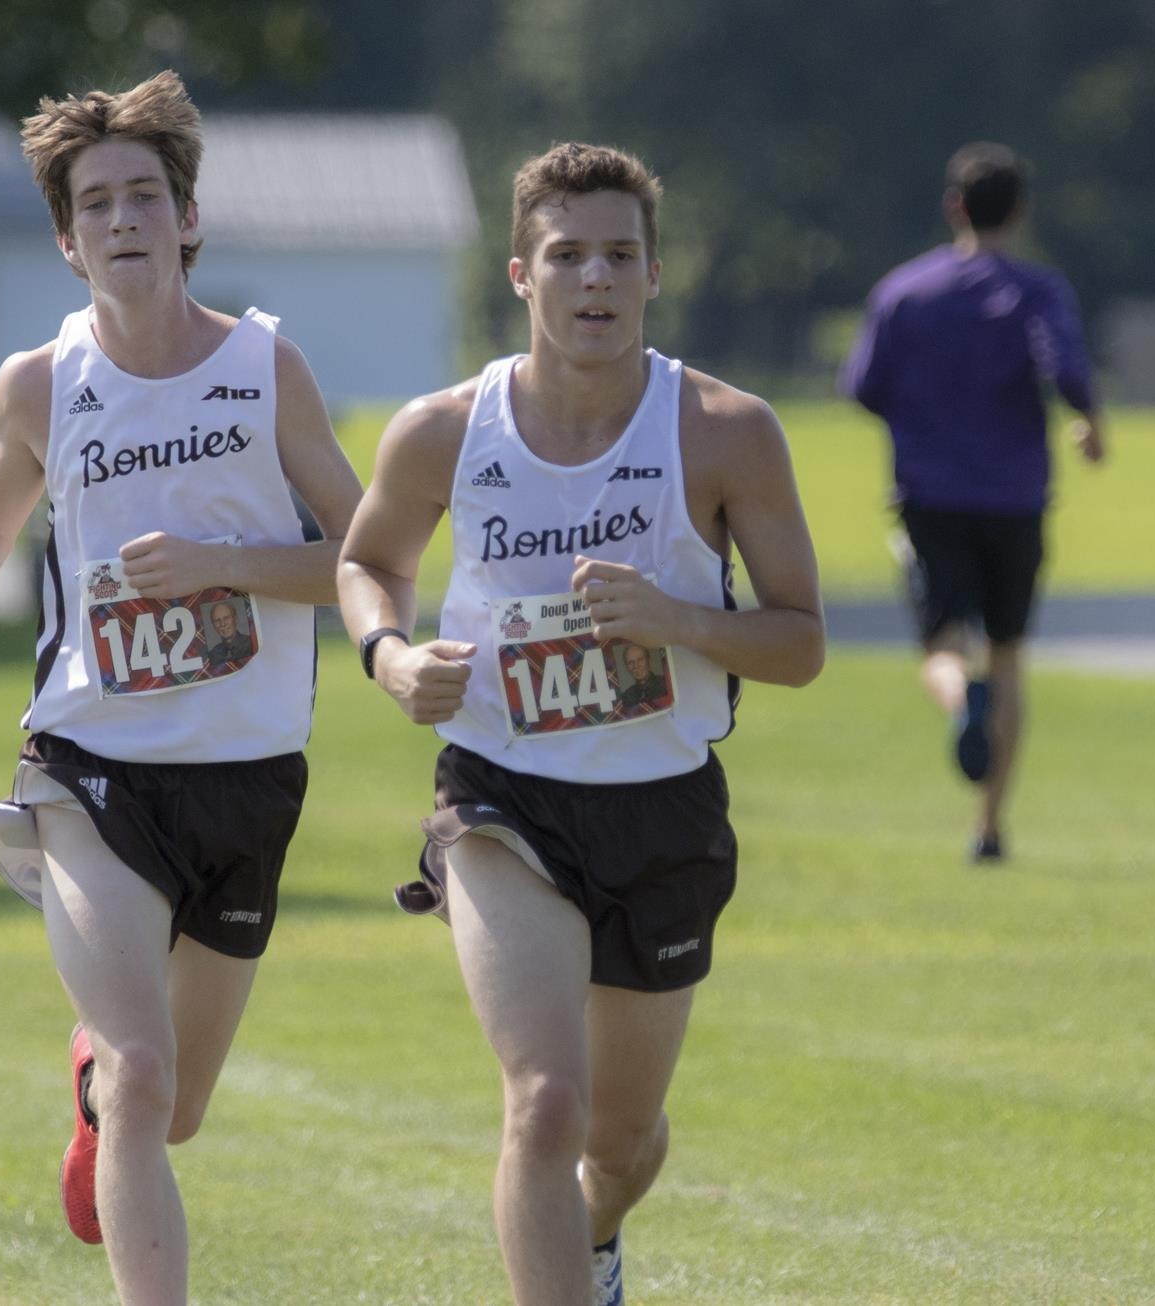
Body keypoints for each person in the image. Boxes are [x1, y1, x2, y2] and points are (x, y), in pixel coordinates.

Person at [0, 69, 362, 1303]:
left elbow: (369, 560)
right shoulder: (39, 384)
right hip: (87, 771)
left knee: (173, 1106)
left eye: (144, 196)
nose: (122, 220)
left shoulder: (265, 369)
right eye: (96, 203)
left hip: (247, 777)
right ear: (65, 239)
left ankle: (95, 1099)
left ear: (186, 220)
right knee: (148, 1070)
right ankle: (116, 1091)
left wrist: (224, 565)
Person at [337, 142, 823, 1306]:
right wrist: (389, 655)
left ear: (653, 274)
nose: (592, 278)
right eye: (567, 254)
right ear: (520, 273)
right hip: (500, 796)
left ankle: (592, 1239)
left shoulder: (723, 429)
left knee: (619, 1142)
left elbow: (800, 638)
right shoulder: (441, 431)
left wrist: (676, 620)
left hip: (660, 813)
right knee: (542, 1100)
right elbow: (365, 561)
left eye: (617, 255)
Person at [842, 141, 1106, 864]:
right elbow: (1068, 368)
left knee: (940, 646)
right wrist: (1088, 422)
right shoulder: (1038, 290)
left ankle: (962, 701)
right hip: (1016, 497)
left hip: (930, 495)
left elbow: (864, 387)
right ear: (1019, 210)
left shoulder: (904, 292)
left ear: (953, 205)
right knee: (1010, 654)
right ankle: (989, 827)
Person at [614, 643, 669, 712]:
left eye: (640, 660)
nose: (636, 666)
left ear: (648, 659)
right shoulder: (626, 697)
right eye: (631, 662)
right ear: (626, 666)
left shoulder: (665, 683)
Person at [202, 598, 253, 669]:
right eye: (217, 620)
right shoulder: (213, 655)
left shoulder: (251, 644)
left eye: (226, 618)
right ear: (213, 625)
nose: (222, 624)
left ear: (235, 618)